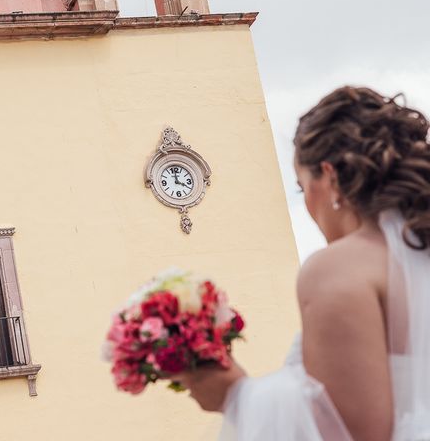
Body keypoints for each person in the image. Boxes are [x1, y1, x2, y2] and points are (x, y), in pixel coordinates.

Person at [172, 86, 430, 441]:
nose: (308, 205)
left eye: (302, 187)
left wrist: (234, 394)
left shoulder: (339, 268)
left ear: (330, 177)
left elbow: (355, 433)